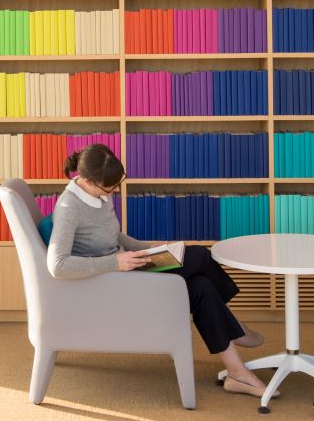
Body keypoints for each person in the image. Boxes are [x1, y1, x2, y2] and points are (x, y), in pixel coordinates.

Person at [45, 143, 267, 397]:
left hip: (129, 265)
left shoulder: (98, 195)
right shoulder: (68, 208)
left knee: (201, 287)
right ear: (88, 180)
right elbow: (57, 265)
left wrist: (149, 247)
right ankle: (234, 324)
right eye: (111, 187)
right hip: (117, 282)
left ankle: (237, 374)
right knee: (200, 255)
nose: (115, 190)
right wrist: (115, 264)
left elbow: (113, 236)